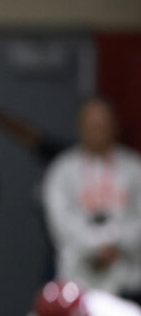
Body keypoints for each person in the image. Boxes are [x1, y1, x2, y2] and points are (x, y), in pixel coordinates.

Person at [42, 98, 141, 303]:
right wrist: (96, 246)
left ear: (114, 125)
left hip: (128, 279)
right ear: (80, 127)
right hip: (77, 281)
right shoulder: (62, 171)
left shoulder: (134, 168)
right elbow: (60, 222)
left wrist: (115, 243)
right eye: (91, 124)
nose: (98, 129)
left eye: (103, 123)